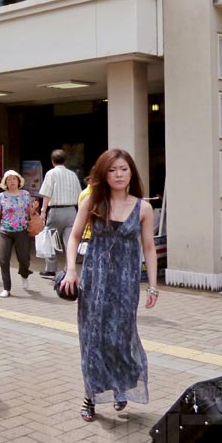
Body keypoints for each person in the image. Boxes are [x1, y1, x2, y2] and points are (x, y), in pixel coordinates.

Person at [59, 148, 159, 421]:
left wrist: (152, 285)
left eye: (123, 169)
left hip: (126, 284)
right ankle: (90, 397)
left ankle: (120, 388)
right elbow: (74, 237)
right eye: (113, 170)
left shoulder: (143, 207)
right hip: (94, 281)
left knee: (120, 339)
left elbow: (148, 247)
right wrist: (70, 270)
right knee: (93, 340)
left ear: (131, 173)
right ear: (104, 173)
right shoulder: (93, 201)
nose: (118, 174)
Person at [0, 169, 33, 298]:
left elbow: (30, 213)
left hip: (22, 230)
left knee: (24, 258)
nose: (12, 181)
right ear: (5, 182)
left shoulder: (25, 195)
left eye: (14, 179)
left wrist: (35, 220)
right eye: (9, 179)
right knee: (4, 259)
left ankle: (24, 274)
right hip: (5, 230)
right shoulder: (2, 196)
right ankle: (6, 288)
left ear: (18, 181)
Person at [38, 149, 82, 278]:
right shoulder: (72, 174)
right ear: (65, 161)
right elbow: (80, 194)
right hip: (71, 211)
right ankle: (69, 268)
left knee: (50, 239)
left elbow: (46, 194)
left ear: (52, 161)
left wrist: (43, 211)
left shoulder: (51, 173)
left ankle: (51, 269)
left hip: (56, 211)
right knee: (70, 241)